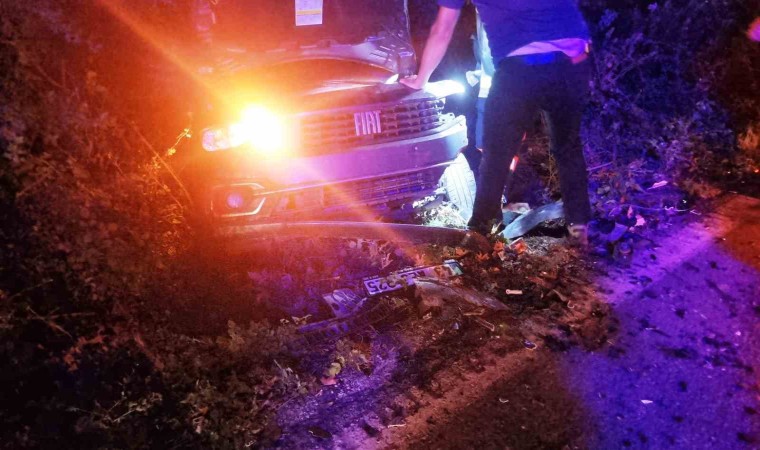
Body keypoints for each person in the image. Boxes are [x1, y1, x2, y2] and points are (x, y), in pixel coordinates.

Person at [401, 0, 593, 246]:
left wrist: (420, 79)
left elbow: (443, 28)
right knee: (568, 148)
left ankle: (480, 232)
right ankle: (579, 227)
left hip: (520, 68)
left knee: (497, 153)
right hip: (572, 62)